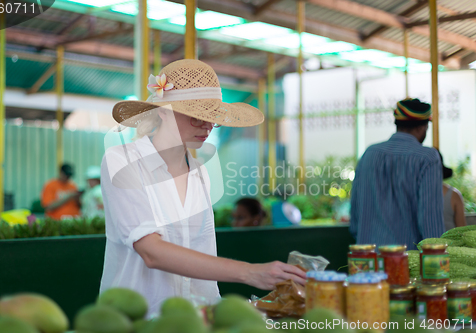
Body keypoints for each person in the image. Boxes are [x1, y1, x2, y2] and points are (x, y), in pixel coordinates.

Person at [100, 59, 306, 316]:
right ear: (163, 111)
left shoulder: (199, 174)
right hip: (137, 320)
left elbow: (199, 253)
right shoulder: (122, 161)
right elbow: (151, 251)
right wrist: (250, 273)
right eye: (197, 117)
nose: (207, 126)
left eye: (213, 118)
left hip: (198, 319)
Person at [350, 98, 444, 250]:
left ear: (397, 124)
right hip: (406, 265)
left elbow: (355, 217)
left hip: (367, 262)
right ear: (423, 127)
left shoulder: (369, 154)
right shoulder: (427, 158)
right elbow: (431, 225)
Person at [437, 150, 466, 230]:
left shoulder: (454, 195)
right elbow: (462, 230)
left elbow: (461, 231)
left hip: (449, 242)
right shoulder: (454, 195)